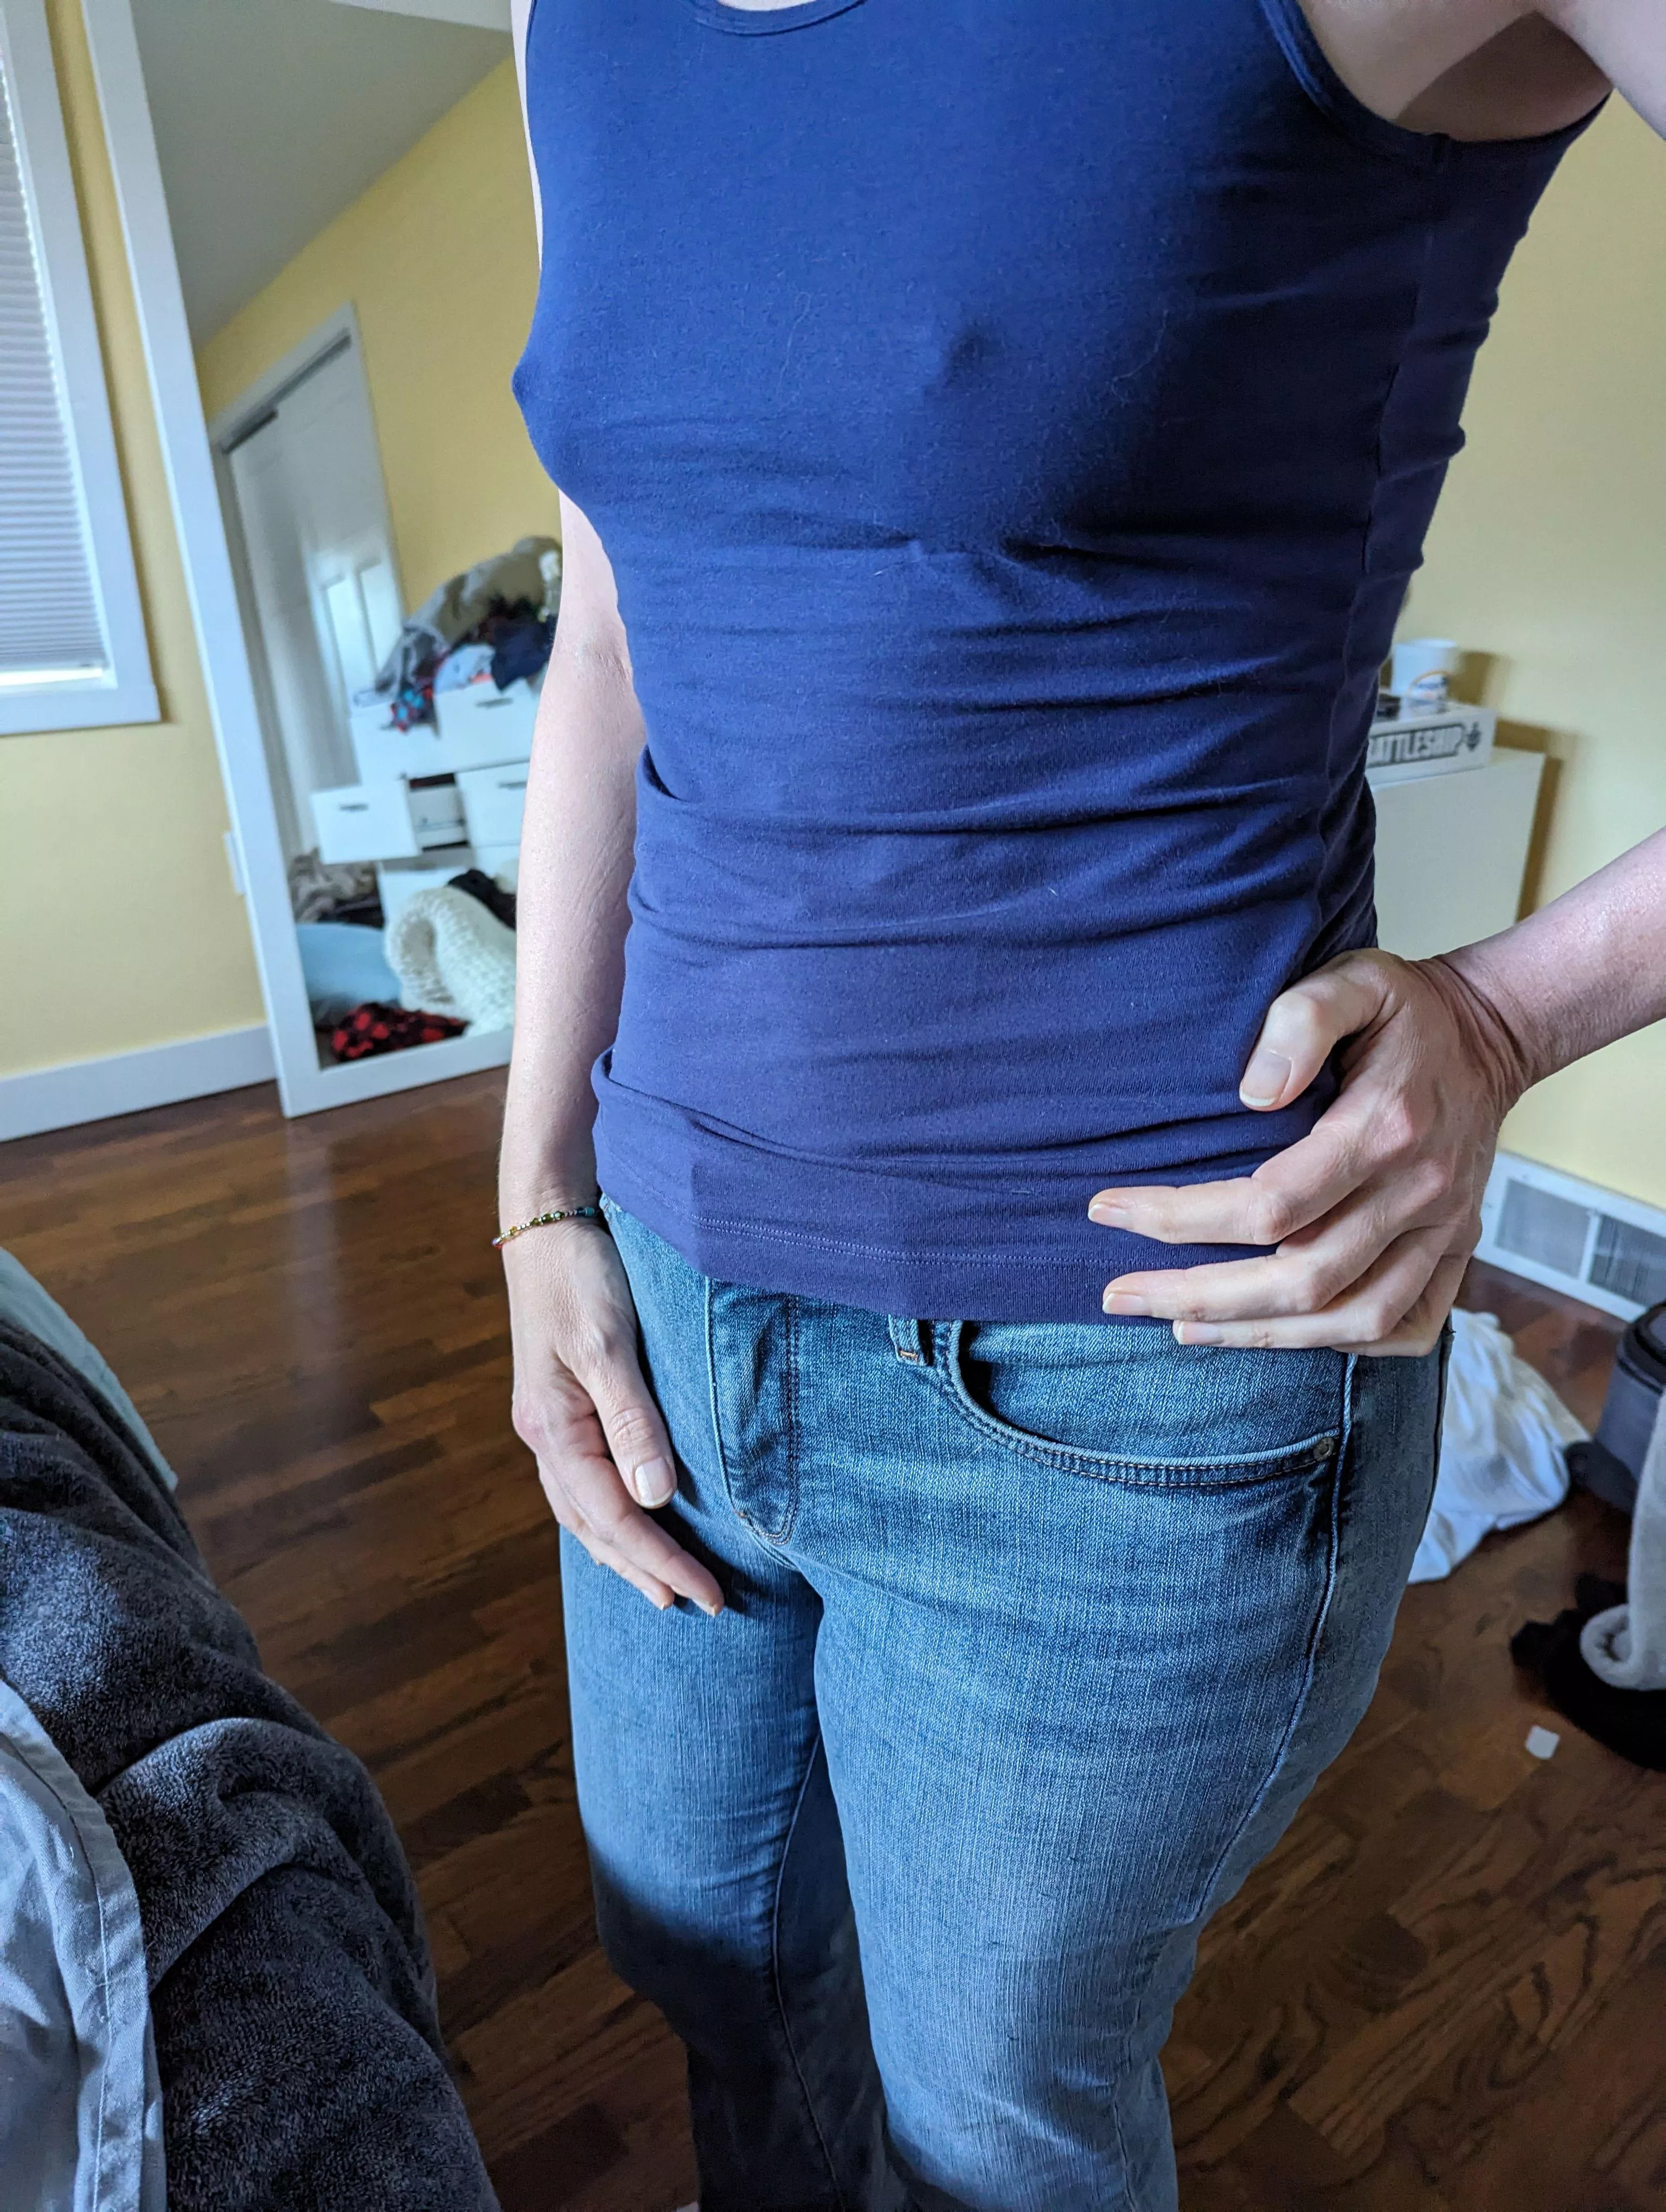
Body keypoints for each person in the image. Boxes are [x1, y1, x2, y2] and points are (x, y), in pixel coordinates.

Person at [498, 3, 1665, 2204]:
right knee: (708, 1969)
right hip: (663, 1289)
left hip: (1120, 1373)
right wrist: (536, 1199)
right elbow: (612, 628)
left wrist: (1512, 1019)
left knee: (986, 2145)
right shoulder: (578, 26)